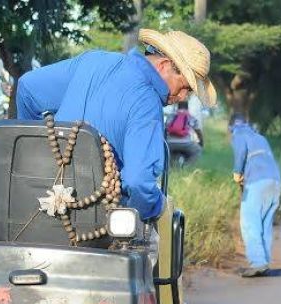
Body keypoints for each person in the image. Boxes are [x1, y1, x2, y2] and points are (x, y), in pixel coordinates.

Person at [15, 29, 216, 221]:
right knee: (161, 216)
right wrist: (154, 208)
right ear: (163, 65)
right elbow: (138, 181)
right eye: (185, 87)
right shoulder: (148, 106)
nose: (182, 97)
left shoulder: (93, 61)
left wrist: (37, 150)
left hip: (36, 197)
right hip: (96, 221)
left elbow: (27, 88)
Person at [230, 114, 281, 277]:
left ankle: (258, 263)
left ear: (231, 126)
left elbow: (240, 153)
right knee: (265, 224)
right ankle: (264, 261)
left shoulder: (238, 133)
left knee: (250, 222)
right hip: (275, 182)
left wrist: (237, 173)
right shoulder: (260, 137)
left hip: (256, 183)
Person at [166, 100, 204, 166]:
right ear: (187, 108)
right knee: (197, 150)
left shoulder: (170, 117)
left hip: (170, 143)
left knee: (169, 155)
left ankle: (171, 167)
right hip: (186, 143)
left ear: (178, 107)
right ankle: (186, 166)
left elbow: (165, 129)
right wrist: (201, 143)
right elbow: (198, 131)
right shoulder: (191, 117)